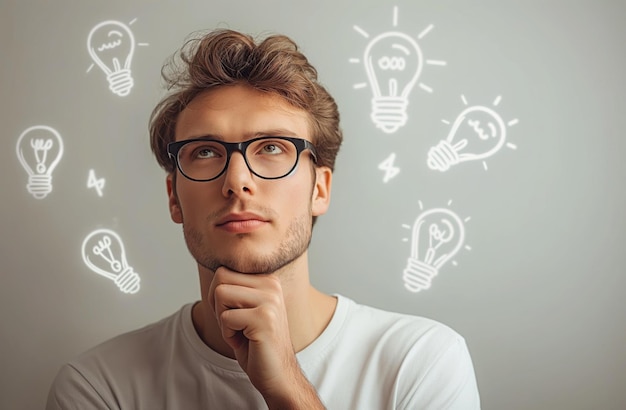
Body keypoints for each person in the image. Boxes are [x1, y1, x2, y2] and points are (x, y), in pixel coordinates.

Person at [46, 29, 480, 409]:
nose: (237, 182)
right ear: (174, 198)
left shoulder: (421, 362)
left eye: (272, 148)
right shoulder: (99, 388)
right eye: (204, 152)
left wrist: (289, 389)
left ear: (320, 189)